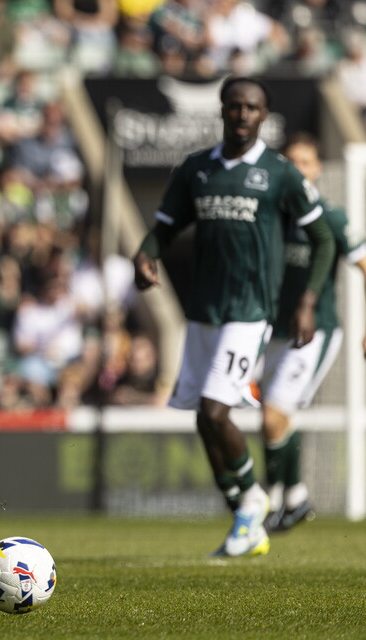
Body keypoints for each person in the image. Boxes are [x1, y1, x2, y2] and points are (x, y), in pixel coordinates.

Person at [132, 77, 337, 557]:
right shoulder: (197, 169)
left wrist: (306, 301)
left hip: (250, 312)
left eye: (252, 107)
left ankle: (254, 500)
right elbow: (164, 226)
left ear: (264, 115)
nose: (243, 114)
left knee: (214, 409)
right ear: (222, 110)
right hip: (203, 309)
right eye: (235, 106)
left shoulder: (279, 173)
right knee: (203, 421)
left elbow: (325, 238)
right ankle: (244, 509)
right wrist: (144, 255)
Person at [258, 133, 366, 532]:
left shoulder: (332, 217)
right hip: (275, 331)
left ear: (318, 168)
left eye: (306, 161)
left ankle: (268, 504)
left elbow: (365, 265)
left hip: (315, 331)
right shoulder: (272, 216)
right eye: (292, 162)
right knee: (275, 418)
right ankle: (297, 498)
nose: (299, 169)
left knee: (275, 414)